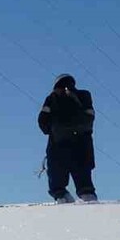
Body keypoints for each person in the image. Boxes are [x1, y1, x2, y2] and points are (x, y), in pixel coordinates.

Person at [38, 73, 98, 204]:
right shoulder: (84, 95)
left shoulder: (52, 98)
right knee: (84, 181)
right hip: (82, 145)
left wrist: (51, 129)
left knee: (57, 181)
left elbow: (42, 122)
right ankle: (89, 199)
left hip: (58, 145)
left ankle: (62, 198)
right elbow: (90, 118)